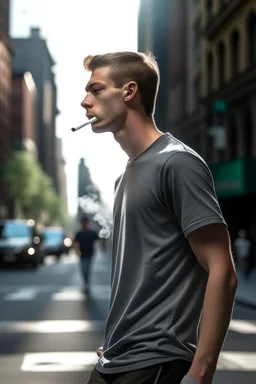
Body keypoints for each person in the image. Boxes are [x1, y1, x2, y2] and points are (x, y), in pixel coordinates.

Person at [80, 52, 238, 384]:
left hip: (157, 366)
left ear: (129, 91)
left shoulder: (177, 164)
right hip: (114, 361)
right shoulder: (123, 178)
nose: (85, 102)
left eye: (95, 89)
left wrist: (199, 373)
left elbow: (222, 270)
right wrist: (120, 339)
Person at [73, 216, 100, 294]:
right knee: (83, 270)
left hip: (90, 254)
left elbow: (98, 240)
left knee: (87, 270)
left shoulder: (92, 233)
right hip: (82, 255)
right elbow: (76, 243)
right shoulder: (79, 233)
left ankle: (86, 284)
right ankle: (86, 283)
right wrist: (77, 251)